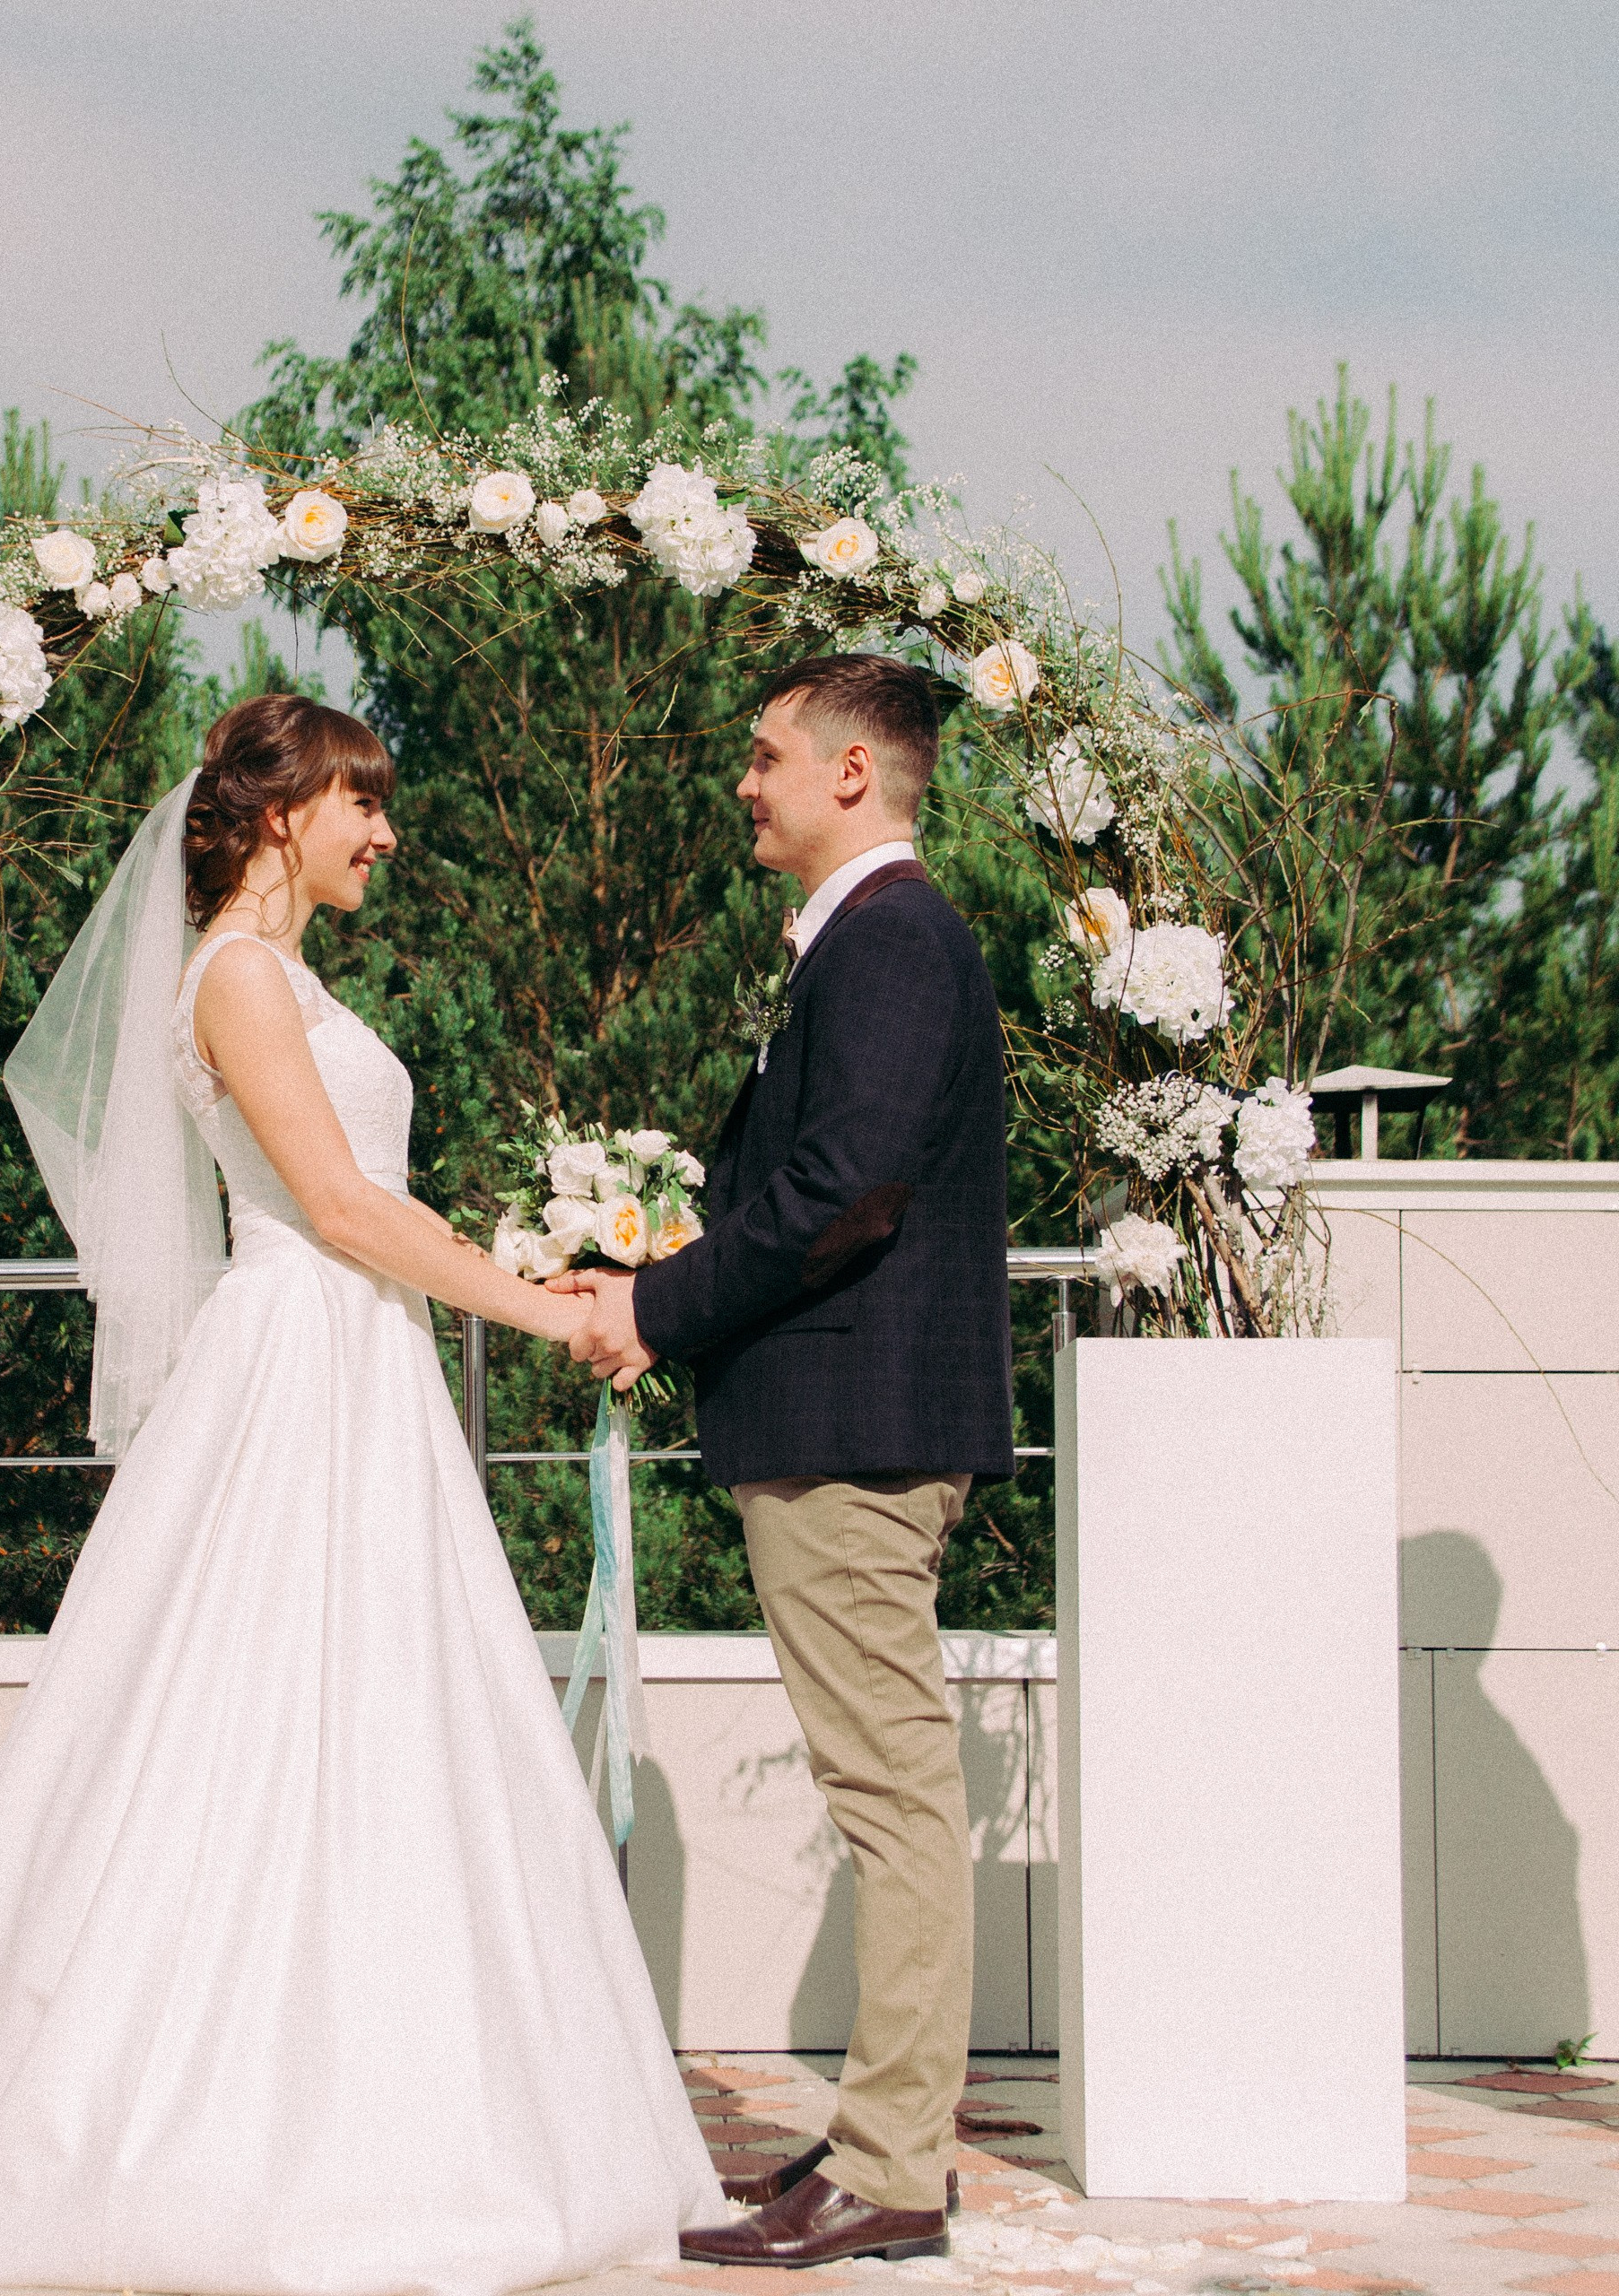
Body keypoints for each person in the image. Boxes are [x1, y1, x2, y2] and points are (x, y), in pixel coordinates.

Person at [0, 693, 724, 2294]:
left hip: (358, 1364)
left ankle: (428, 2097)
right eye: (358, 804)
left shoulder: (291, 976)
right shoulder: (240, 978)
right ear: (274, 814)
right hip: (304, 1355)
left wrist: (530, 1256)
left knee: (397, 1716)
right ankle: (214, 2124)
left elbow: (370, 1203)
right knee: (255, 1726)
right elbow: (336, 1206)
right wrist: (550, 1307)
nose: (383, 833)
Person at [555, 653, 1014, 2269]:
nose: (742, 782)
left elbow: (844, 1188)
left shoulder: (892, 938)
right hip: (852, 1422)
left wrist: (656, 1308)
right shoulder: (875, 942)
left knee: (890, 1803)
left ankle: (894, 2168)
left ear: (848, 773)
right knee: (886, 1792)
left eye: (763, 757)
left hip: (859, 1428)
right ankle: (882, 2144)